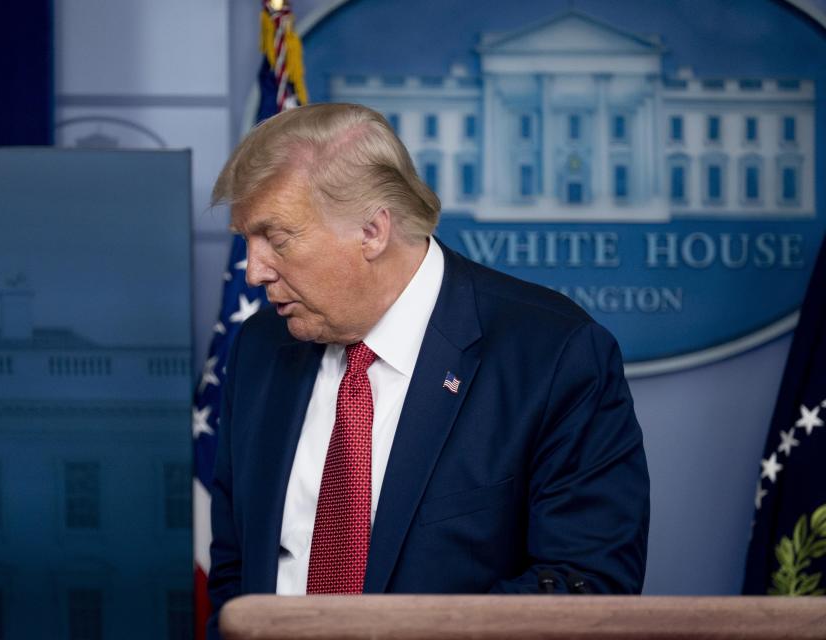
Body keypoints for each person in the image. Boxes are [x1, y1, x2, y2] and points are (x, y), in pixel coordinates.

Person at [207, 103, 649, 636]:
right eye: (245, 242)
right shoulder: (260, 347)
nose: (254, 271)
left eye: (275, 239)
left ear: (372, 231)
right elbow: (236, 570)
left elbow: (588, 582)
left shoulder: (553, 356)